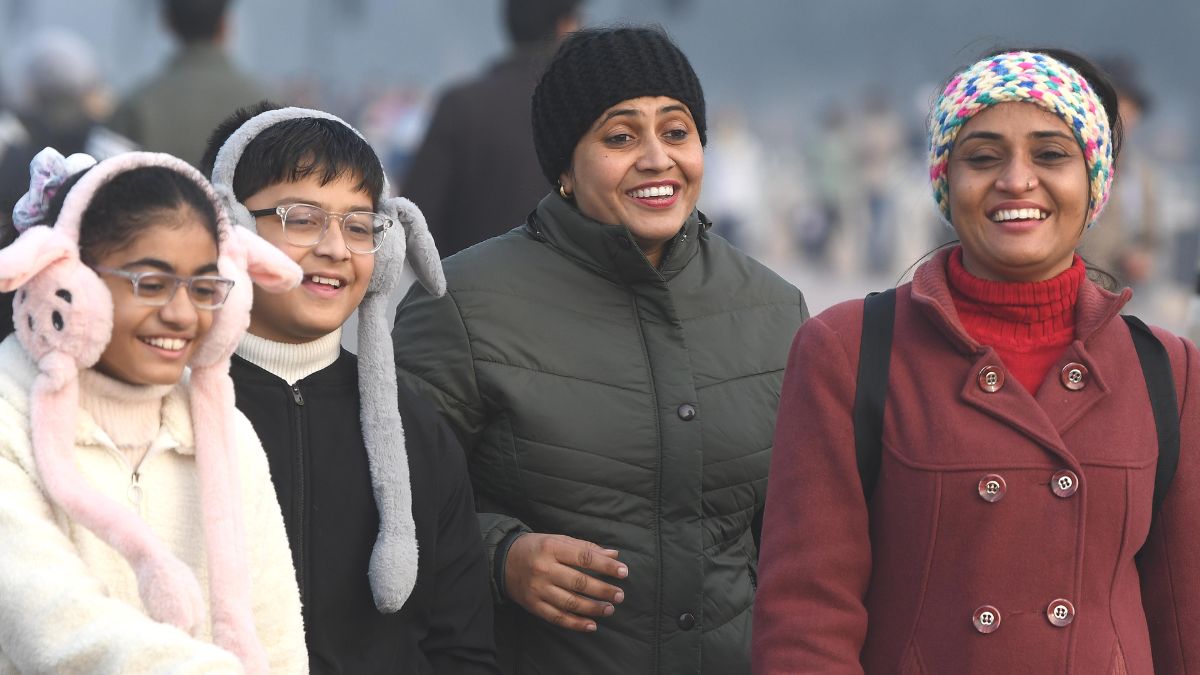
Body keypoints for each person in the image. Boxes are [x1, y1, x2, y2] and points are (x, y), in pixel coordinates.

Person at [753, 49, 1200, 673]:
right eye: (983, 158)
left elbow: (1186, 622)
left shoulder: (1168, 370)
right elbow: (806, 620)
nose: (1016, 180)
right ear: (945, 181)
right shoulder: (848, 349)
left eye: (1051, 155)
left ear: (1095, 181)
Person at [392, 26, 807, 674]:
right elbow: (386, 495)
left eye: (677, 131)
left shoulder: (774, 309)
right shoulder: (463, 304)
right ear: (564, 166)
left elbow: (803, 540)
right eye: (620, 137)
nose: (657, 159)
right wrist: (500, 556)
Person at [200, 102, 500, 673]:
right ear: (228, 227)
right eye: (302, 219)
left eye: (359, 226)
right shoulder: (168, 413)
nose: (336, 249)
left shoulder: (417, 433)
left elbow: (460, 646)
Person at [0, 148, 306, 672]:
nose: (183, 314)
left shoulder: (229, 435)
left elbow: (276, 635)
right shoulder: (9, 420)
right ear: (64, 284)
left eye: (205, 288)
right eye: (152, 283)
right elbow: (58, 626)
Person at [401, 0, 583, 257]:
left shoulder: (461, 105)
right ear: (565, 26)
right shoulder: (583, 107)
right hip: (563, 277)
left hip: (465, 276)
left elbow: (415, 217)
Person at [109, 0, 271, 168]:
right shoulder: (268, 106)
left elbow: (107, 176)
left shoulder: (135, 107)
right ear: (225, 24)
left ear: (167, 22)